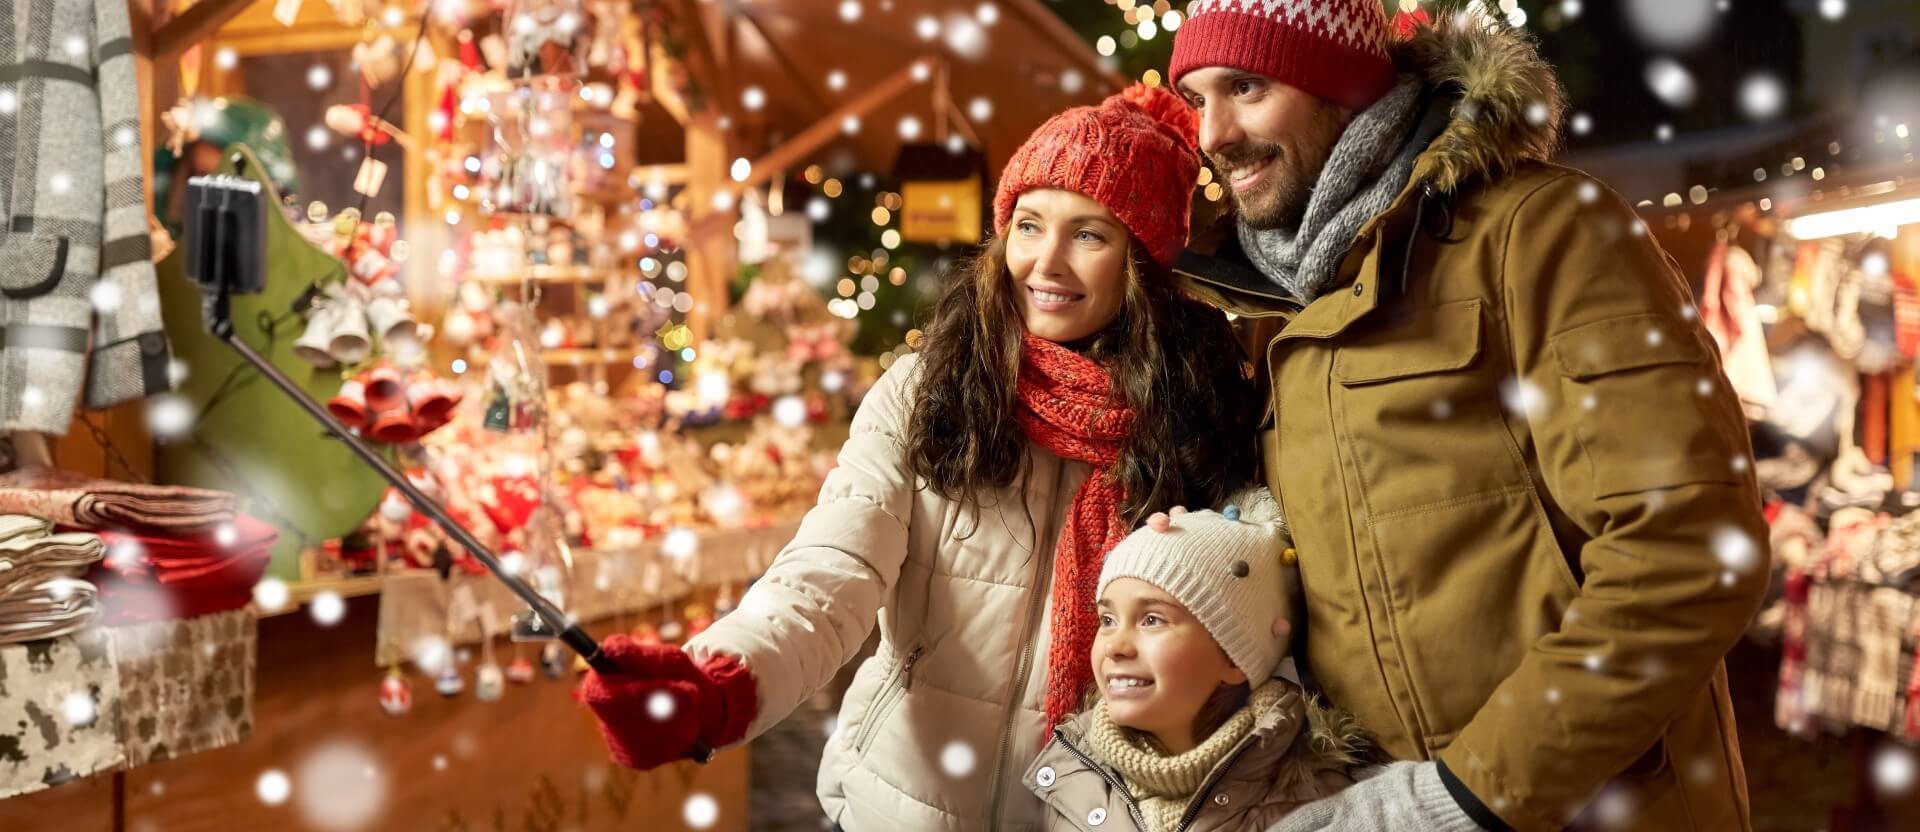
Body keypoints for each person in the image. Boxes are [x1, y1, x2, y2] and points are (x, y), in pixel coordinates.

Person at [578, 84, 1264, 830]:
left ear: (1144, 258)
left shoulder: (1199, 414)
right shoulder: (933, 386)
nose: (1047, 263)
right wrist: (723, 682)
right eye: (1029, 225)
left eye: (1090, 235)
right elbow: (833, 567)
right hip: (899, 806)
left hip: (1098, 811)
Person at [1165, 4, 1769, 831]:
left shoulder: (1543, 234)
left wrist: (1464, 796)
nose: (1214, 132)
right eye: (1198, 97)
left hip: (1605, 808)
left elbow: (1688, 549)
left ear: (1343, 86)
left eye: (1246, 86)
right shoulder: (1273, 311)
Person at [1025, 489, 1365, 831]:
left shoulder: (1316, 793)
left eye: (1152, 620)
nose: (1115, 646)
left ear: (1233, 658)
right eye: (1108, 620)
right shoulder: (1071, 775)